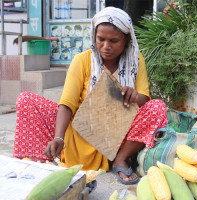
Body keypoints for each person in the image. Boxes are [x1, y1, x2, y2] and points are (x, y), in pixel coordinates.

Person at [13, 7, 168, 185]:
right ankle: (41, 160)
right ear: (94, 36)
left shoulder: (136, 60)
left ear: (126, 39)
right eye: (101, 39)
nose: (106, 46)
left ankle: (121, 159)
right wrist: (59, 137)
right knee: (26, 100)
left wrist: (135, 96)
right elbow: (67, 104)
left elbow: (145, 99)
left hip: (117, 134)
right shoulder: (82, 60)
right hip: (81, 130)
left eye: (114, 41)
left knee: (157, 107)